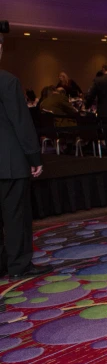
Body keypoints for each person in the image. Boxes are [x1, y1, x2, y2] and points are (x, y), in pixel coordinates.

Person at [0, 33, 51, 279]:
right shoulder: (6, 81)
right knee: (15, 216)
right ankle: (18, 265)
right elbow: (21, 123)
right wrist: (34, 158)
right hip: (9, 162)